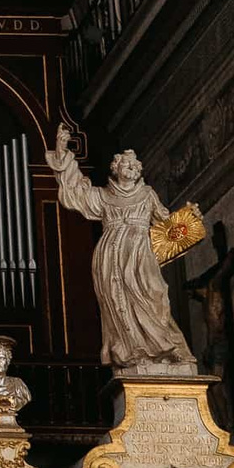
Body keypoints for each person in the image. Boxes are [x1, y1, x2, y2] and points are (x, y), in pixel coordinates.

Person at [52, 125, 198, 375]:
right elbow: (76, 192)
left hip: (141, 254)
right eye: (126, 164)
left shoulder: (147, 194)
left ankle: (164, 348)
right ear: (115, 168)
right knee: (117, 300)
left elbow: (166, 223)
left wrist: (190, 219)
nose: (131, 167)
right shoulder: (103, 196)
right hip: (110, 256)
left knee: (153, 293)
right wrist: (62, 151)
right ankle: (132, 352)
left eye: (134, 165)